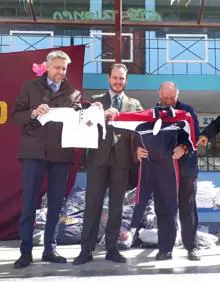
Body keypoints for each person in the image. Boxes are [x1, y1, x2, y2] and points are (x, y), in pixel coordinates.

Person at [12, 50, 85, 269]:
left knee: (55, 203)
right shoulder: (30, 87)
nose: (61, 72)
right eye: (57, 67)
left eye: (64, 68)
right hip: (33, 152)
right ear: (47, 66)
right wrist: (33, 113)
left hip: (61, 155)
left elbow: (80, 119)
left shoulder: (73, 93)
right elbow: (17, 117)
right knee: (29, 203)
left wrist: (90, 111)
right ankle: (25, 251)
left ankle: (50, 249)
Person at [73, 63, 143, 265]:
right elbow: (82, 123)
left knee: (116, 208)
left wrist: (139, 148)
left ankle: (112, 249)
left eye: (122, 78)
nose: (118, 81)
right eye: (115, 77)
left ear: (126, 80)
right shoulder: (95, 102)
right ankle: (86, 250)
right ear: (109, 79)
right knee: (92, 205)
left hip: (122, 162)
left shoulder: (134, 104)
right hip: (97, 161)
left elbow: (141, 129)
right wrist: (96, 115)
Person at [133, 81, 201, 261]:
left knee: (187, 209)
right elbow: (139, 135)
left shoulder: (187, 111)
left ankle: (192, 246)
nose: (169, 101)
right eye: (165, 98)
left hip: (185, 169)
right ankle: (165, 248)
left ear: (177, 95)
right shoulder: (150, 114)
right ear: (158, 94)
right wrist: (138, 149)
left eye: (172, 98)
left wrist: (184, 147)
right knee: (163, 209)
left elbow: (194, 135)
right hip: (161, 171)